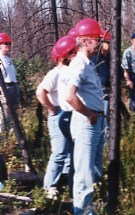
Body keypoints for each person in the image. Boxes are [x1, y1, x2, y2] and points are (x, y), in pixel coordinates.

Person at [65, 18, 106, 215]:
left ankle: (89, 206)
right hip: (86, 122)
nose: (98, 43)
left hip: (95, 121)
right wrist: (89, 114)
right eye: (96, 39)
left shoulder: (88, 64)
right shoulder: (79, 64)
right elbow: (70, 97)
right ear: (85, 40)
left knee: (93, 168)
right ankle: (81, 211)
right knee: (84, 171)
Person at [36, 36, 77, 198]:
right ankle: (49, 186)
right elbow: (40, 92)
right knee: (59, 152)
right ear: (64, 55)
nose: (75, 56)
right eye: (72, 53)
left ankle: (65, 180)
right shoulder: (55, 74)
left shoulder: (70, 72)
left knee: (69, 150)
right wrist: (52, 108)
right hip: (58, 113)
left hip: (68, 112)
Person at [0, 33, 19, 133]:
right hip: (5, 89)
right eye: (6, 43)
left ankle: (13, 139)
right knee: (5, 116)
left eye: (9, 43)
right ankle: (3, 138)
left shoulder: (7, 59)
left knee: (14, 115)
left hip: (13, 87)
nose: (8, 45)